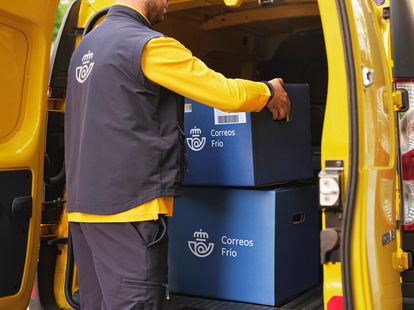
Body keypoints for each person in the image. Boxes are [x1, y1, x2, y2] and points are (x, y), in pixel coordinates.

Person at [64, 0, 291, 308]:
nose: (168, 3)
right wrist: (268, 91)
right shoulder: (147, 45)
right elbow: (224, 93)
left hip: (83, 211)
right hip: (130, 210)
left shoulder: (85, 48)